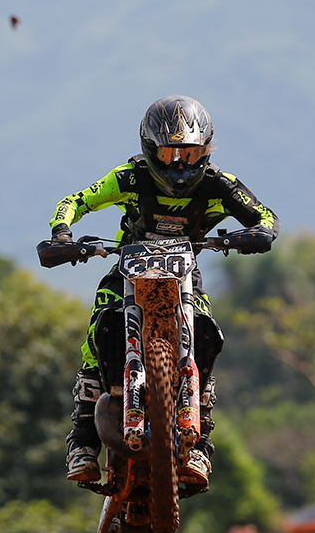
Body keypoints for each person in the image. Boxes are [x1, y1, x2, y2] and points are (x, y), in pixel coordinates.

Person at [49, 95, 278, 486]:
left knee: (206, 335)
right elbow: (75, 201)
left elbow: (265, 215)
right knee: (99, 328)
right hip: (128, 269)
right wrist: (62, 235)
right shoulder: (129, 177)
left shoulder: (220, 184)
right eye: (170, 154)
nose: (180, 166)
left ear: (206, 150)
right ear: (150, 149)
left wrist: (258, 232)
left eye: (191, 154)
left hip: (185, 274)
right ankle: (82, 442)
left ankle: (201, 444)